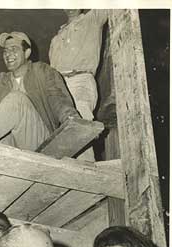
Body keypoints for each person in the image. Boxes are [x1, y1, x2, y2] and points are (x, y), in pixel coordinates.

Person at [49, 9, 108, 160]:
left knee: (81, 117)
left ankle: (86, 167)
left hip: (81, 78)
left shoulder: (93, 18)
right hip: (60, 85)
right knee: (61, 128)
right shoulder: (56, 37)